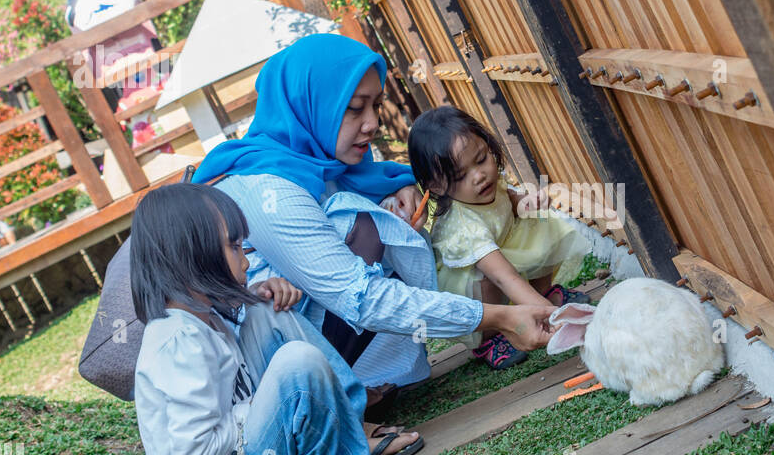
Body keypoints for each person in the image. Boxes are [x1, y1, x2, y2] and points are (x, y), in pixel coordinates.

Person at [191, 34, 554, 415]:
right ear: (310, 105)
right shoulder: (270, 190)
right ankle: (330, 408)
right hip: (261, 385)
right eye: (353, 109)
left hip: (308, 343)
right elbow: (359, 296)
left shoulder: (315, 164)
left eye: (376, 105)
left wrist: (397, 187)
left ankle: (351, 392)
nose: (372, 124)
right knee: (363, 227)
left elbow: (375, 178)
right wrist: (503, 317)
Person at [129, 183, 432, 455]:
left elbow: (237, 369)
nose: (244, 259)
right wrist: (261, 408)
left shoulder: (201, 315)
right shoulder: (177, 344)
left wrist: (255, 298)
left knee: (266, 310)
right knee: (295, 365)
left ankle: (352, 433)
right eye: (234, 246)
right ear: (190, 255)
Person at [409, 106, 590, 369]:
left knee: (539, 222)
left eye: (482, 159)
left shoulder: (490, 183)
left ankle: (543, 294)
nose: (479, 175)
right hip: (470, 285)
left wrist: (528, 203)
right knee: (487, 280)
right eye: (460, 175)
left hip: (501, 254)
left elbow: (511, 202)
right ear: (437, 186)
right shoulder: (463, 226)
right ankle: (490, 336)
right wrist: (557, 319)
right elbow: (503, 277)